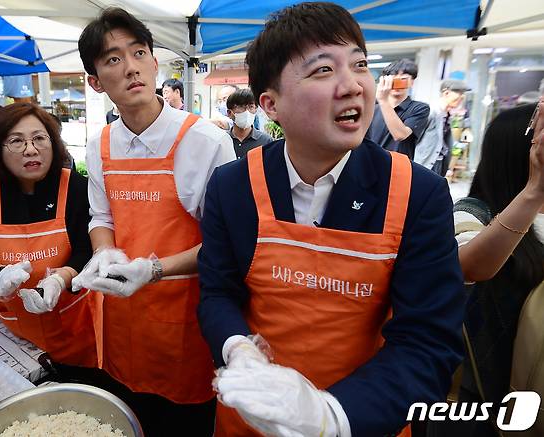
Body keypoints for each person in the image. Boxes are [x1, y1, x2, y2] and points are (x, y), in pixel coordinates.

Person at [197, 3, 465, 436]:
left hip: (365, 419)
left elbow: (427, 342)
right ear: (270, 104)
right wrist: (237, 349)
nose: (353, 86)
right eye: (323, 70)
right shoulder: (234, 185)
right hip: (251, 421)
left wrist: (331, 417)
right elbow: (217, 293)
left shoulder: (417, 194)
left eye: (359, 64)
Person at [75, 7, 235, 435]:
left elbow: (228, 244)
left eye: (139, 52)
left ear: (154, 60)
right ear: (94, 81)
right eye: (112, 59)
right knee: (130, 419)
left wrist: (155, 269)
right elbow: (100, 215)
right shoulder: (100, 144)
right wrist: (105, 250)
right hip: (124, 320)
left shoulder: (206, 142)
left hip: (184, 323)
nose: (130, 68)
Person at [0, 102, 98, 369]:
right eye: (16, 141)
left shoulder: (76, 187)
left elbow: (86, 252)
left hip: (73, 329)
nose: (31, 149)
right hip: (11, 334)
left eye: (39, 139)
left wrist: (60, 278)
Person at [431, 102, 544, 437]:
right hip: (481, 404)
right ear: (522, 153)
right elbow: (468, 265)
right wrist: (534, 192)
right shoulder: (470, 213)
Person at [366, 58, 429, 160]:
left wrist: (383, 100)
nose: (398, 84)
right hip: (370, 163)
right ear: (385, 80)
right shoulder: (372, 107)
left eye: (403, 79)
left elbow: (400, 135)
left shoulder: (419, 108)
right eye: (394, 79)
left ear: (412, 82)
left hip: (399, 168)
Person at [417, 79, 468, 176]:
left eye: (463, 93)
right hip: (424, 164)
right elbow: (414, 140)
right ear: (446, 93)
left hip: (439, 163)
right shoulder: (430, 111)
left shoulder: (447, 114)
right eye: (459, 93)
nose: (462, 96)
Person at [226, 88, 273, 159]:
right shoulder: (223, 139)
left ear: (256, 110)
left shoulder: (266, 141)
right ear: (229, 113)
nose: (246, 112)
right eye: (241, 106)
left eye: (251, 107)